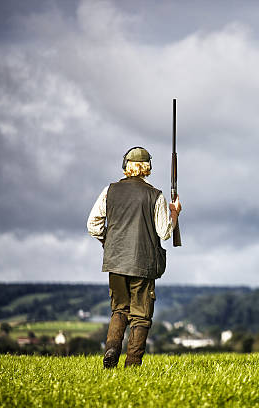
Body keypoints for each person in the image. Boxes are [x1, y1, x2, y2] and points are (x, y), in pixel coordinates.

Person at [87, 146, 181, 368]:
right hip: (144, 264)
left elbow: (93, 226)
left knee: (119, 309)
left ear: (125, 166)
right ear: (147, 168)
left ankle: (111, 350)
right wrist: (174, 212)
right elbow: (165, 232)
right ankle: (132, 365)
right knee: (140, 316)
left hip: (116, 262)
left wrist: (109, 243)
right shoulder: (155, 195)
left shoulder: (109, 190)